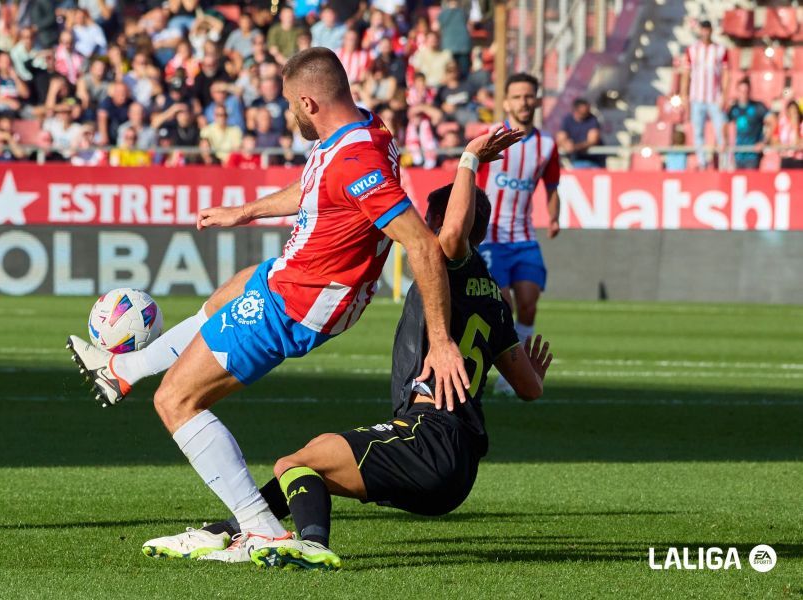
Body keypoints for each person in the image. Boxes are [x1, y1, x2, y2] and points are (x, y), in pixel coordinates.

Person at [66, 47, 471, 563]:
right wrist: (248, 212)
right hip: (290, 276)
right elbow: (313, 190)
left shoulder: (357, 161)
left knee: (176, 402)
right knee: (226, 294)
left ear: (309, 101)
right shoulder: (365, 130)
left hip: (297, 303)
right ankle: (122, 370)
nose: (288, 114)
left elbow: (420, 244)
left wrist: (441, 340)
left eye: (290, 105)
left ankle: (262, 529)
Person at [183, 125, 545, 570]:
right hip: (461, 464)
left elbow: (450, 237)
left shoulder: (447, 261)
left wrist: (469, 159)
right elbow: (529, 389)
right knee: (314, 461)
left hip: (428, 437)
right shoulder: (494, 296)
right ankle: (236, 527)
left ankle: (311, 544)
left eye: (424, 220)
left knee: (294, 463)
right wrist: (535, 372)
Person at [476, 73, 560, 396]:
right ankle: (493, 368)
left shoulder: (547, 146)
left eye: (529, 96)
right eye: (518, 96)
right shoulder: (490, 138)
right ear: (506, 102)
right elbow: (469, 176)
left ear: (536, 101)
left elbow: (552, 187)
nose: (524, 102)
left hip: (524, 237)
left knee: (528, 303)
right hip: (491, 238)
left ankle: (516, 374)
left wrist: (553, 217)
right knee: (502, 302)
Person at [680, 20, 728, 170]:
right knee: (698, 131)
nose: (705, 33)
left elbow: (726, 73)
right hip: (697, 97)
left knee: (721, 130)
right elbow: (686, 73)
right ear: (700, 31)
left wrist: (725, 95)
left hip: (714, 97)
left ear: (711, 31)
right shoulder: (692, 50)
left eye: (708, 30)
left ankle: (725, 162)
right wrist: (684, 94)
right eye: (703, 30)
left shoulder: (720, 50)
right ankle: (701, 162)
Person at [726, 78, 772, 170]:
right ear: (737, 91)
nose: (744, 94)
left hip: (753, 155)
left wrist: (764, 142)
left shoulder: (758, 107)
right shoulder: (734, 109)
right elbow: (724, 124)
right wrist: (724, 141)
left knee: (752, 182)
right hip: (738, 154)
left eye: (746, 91)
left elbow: (773, 122)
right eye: (741, 91)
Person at [556, 98, 604, 168]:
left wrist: (575, 147)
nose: (588, 112)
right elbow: (560, 138)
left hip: (593, 161)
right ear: (576, 110)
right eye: (584, 111)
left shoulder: (592, 119)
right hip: (574, 161)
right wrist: (565, 144)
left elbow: (593, 140)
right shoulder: (567, 119)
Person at [775, 100, 803, 169]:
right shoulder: (783, 123)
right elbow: (776, 140)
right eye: (791, 112)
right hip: (785, 158)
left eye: (795, 112)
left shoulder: (801, 125)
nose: (793, 114)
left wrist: (796, 127)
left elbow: (799, 144)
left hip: (798, 159)